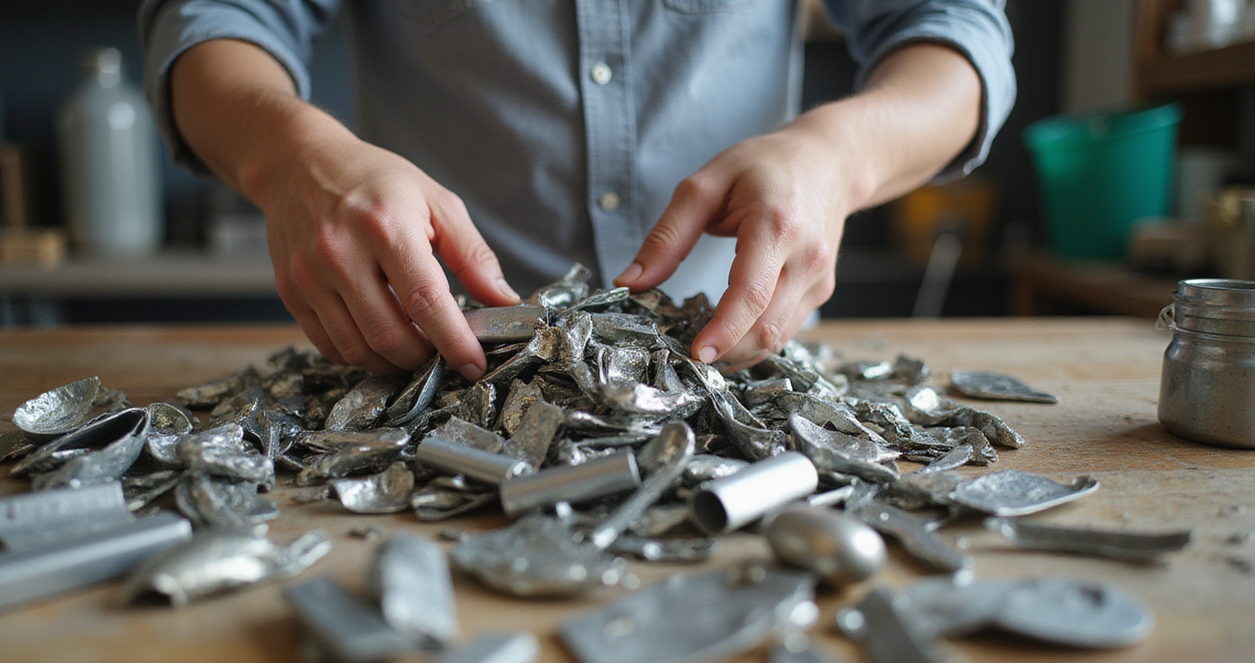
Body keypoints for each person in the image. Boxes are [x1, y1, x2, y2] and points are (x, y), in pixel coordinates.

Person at [139, 0, 1014, 381]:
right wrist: (290, 156)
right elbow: (214, 18)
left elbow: (957, 31)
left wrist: (838, 155)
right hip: (431, 379)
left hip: (748, 380)